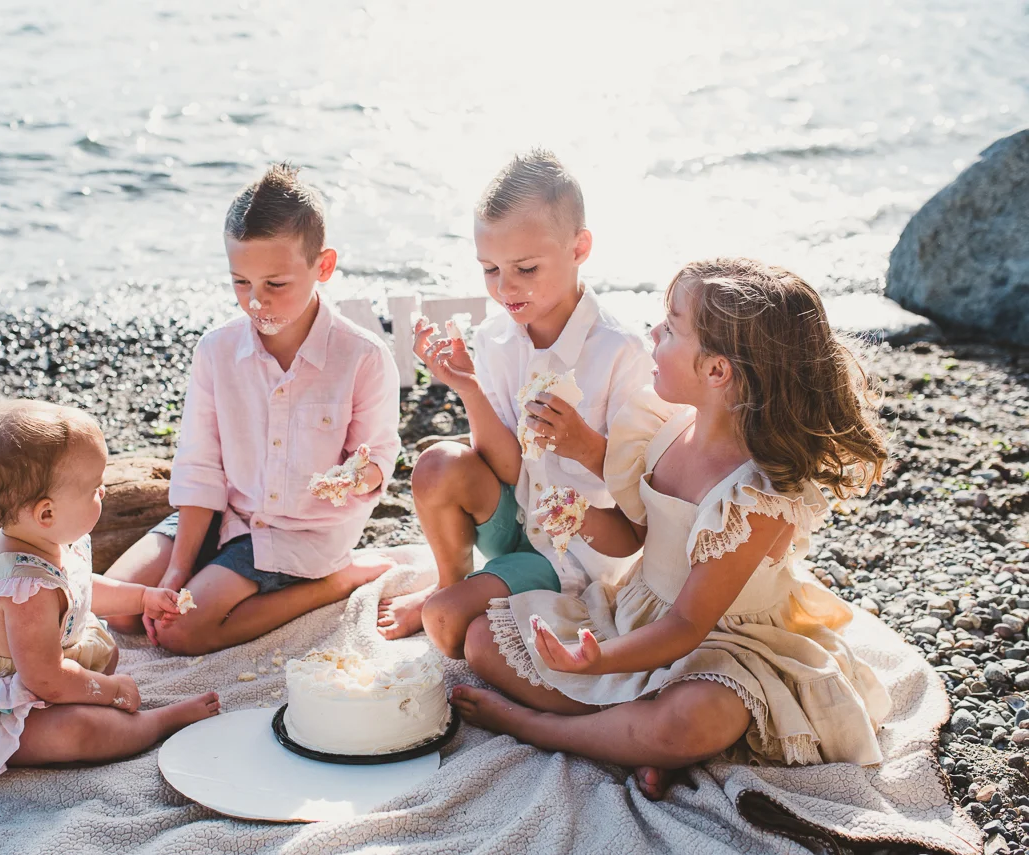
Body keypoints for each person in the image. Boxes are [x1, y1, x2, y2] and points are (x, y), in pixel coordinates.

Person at [451, 258, 892, 800]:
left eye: (671, 326)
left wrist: (595, 661)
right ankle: (633, 741)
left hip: (725, 644)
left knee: (693, 718)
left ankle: (541, 728)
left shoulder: (754, 497)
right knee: (481, 640)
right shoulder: (664, 428)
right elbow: (635, 539)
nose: (653, 332)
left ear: (716, 371)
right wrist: (578, 517)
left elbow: (687, 626)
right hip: (639, 612)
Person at [106, 163, 401, 654]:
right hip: (224, 513)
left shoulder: (363, 357)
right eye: (240, 282)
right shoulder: (216, 351)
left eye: (275, 284)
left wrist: (358, 475)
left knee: (180, 632)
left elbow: (379, 459)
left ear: (323, 267)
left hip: (298, 533)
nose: (256, 301)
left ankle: (337, 581)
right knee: (122, 612)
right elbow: (200, 464)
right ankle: (205, 571)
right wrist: (179, 569)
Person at [377, 149, 651, 655]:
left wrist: (582, 443)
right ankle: (449, 580)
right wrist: (468, 388)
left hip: (578, 552)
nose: (506, 287)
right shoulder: (497, 338)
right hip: (516, 516)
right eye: (490, 269)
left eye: (525, 268)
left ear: (579, 248)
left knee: (445, 621)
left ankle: (461, 596)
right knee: (437, 462)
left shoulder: (621, 353)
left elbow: (638, 500)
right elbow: (505, 467)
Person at [0, 400, 218, 777]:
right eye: (96, 487)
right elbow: (46, 679)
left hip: (39, 669)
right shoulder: (26, 590)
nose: (105, 491)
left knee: (104, 652)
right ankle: (158, 724)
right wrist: (110, 691)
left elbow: (80, 588)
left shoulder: (47, 537)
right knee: (81, 730)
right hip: (2, 710)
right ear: (47, 513)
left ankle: (99, 702)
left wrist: (142, 597)